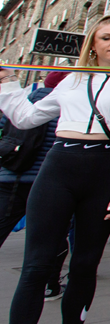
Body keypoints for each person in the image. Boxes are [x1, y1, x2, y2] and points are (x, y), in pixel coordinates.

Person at [0, 15, 110, 323]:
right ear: (93, 44)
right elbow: (27, 118)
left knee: (84, 262)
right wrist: (8, 84)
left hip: (106, 169)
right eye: (106, 37)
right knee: (36, 265)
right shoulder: (73, 79)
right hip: (59, 166)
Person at [0, 71, 69, 302]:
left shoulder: (23, 101)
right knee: (52, 237)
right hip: (46, 182)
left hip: (11, 178)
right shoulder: (65, 106)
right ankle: (50, 285)